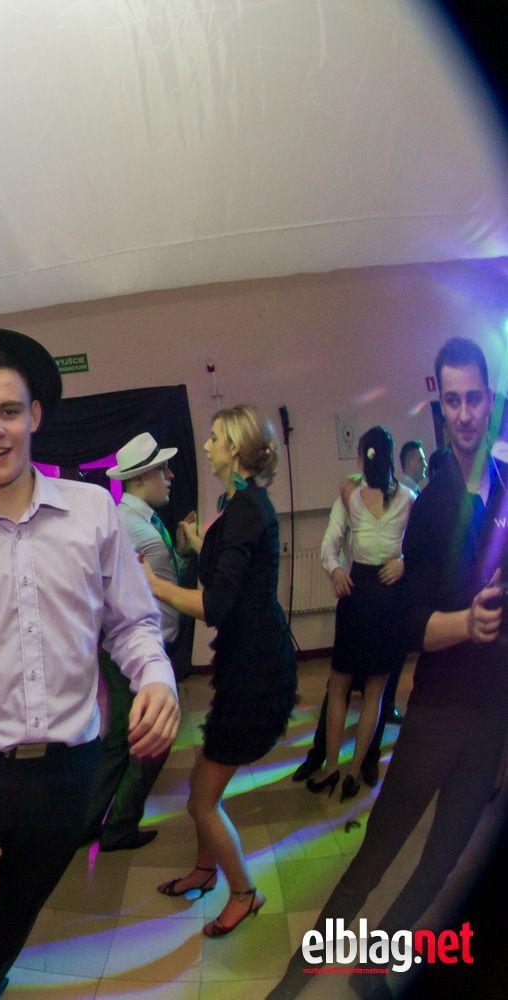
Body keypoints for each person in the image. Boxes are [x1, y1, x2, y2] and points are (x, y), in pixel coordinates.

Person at [0, 328, 179, 1000]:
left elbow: (131, 623)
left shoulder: (93, 515)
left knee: (19, 908)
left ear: (35, 415)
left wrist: (156, 677)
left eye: (9, 411)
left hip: (68, 771)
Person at [269, 338, 508, 1000]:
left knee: (440, 865)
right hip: (438, 714)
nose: (465, 412)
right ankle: (294, 980)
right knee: (376, 857)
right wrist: (468, 625)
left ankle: (371, 967)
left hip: (492, 716)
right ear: (441, 404)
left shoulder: (504, 487)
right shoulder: (431, 506)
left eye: (474, 398)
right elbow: (412, 627)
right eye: (453, 400)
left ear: (490, 400)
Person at [143, 404, 297, 938]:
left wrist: (156, 586)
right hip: (243, 665)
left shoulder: (248, 509)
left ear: (233, 448)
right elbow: (231, 566)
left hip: (256, 673)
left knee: (201, 800)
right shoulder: (236, 503)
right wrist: (195, 543)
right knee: (200, 788)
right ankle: (205, 872)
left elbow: (217, 605)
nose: (206, 446)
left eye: (213, 438)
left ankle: (245, 893)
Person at [86, 431, 194, 852]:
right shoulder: (126, 525)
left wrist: (182, 552)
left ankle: (88, 824)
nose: (170, 476)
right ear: (139, 478)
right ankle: (119, 827)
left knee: (121, 739)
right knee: (152, 739)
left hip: (142, 647)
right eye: (162, 470)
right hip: (133, 652)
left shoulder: (142, 520)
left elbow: (156, 579)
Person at [306, 426, 411, 803]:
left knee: (339, 687)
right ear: (392, 457)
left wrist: (335, 569)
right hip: (389, 597)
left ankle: (332, 768)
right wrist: (404, 561)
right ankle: (353, 774)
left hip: (358, 592)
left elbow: (330, 543)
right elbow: (421, 547)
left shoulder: (348, 492)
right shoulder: (409, 496)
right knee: (375, 692)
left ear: (361, 458)